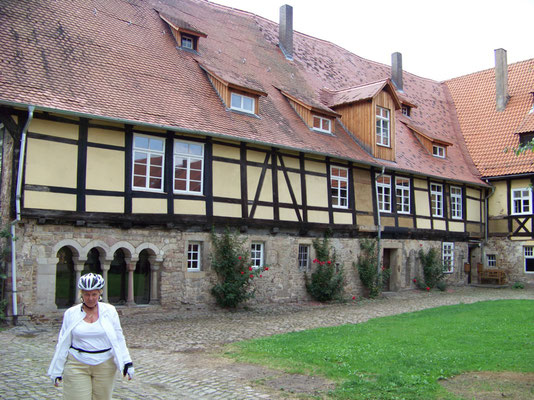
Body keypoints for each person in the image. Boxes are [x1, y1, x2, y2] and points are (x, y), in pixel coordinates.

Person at [48, 273, 134, 400]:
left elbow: (118, 338)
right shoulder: (71, 314)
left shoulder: (109, 311)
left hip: (104, 364)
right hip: (77, 363)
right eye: (87, 294)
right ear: (81, 294)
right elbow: (63, 342)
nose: (90, 298)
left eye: (94, 294)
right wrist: (57, 370)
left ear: (100, 293)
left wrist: (127, 362)